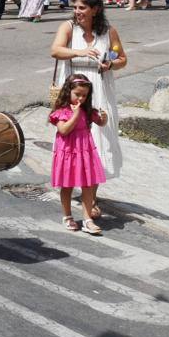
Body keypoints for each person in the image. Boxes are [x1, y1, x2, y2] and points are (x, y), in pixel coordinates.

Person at [50, 0, 125, 217]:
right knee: (74, 140)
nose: (77, 12)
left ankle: (90, 199)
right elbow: (55, 50)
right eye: (75, 8)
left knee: (97, 142)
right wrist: (80, 51)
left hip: (99, 90)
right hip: (74, 90)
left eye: (82, 8)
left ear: (95, 10)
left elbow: (122, 59)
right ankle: (74, 193)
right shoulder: (68, 28)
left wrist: (111, 65)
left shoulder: (108, 32)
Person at [49, 73, 107, 236]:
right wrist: (75, 114)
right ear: (68, 92)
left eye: (84, 95)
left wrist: (104, 118)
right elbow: (64, 130)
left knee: (88, 185)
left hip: (85, 151)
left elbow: (100, 122)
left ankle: (88, 220)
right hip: (68, 152)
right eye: (77, 94)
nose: (80, 99)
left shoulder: (87, 111)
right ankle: (67, 216)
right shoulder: (61, 112)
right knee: (67, 186)